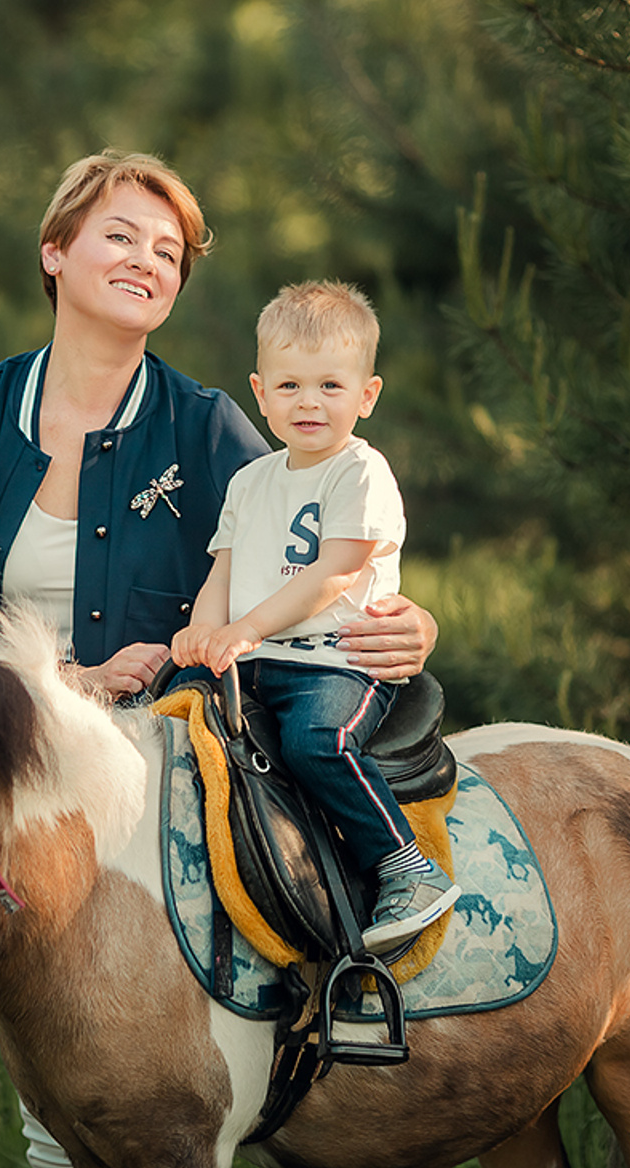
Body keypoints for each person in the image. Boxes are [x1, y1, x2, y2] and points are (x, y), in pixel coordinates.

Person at [0, 154, 440, 1168]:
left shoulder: (210, 426)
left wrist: (412, 625)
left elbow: (320, 566)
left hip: (139, 813)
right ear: (54, 251)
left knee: (83, 1109)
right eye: (119, 234)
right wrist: (69, 687)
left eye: (167, 250)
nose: (146, 258)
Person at [170, 280, 459, 955]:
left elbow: (335, 575)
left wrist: (243, 630)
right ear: (261, 392)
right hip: (262, 660)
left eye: (331, 386)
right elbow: (225, 571)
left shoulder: (360, 472)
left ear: (367, 395)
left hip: (339, 659)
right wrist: (201, 631)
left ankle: (406, 868)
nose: (309, 402)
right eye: (291, 385)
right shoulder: (252, 481)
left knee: (315, 742)